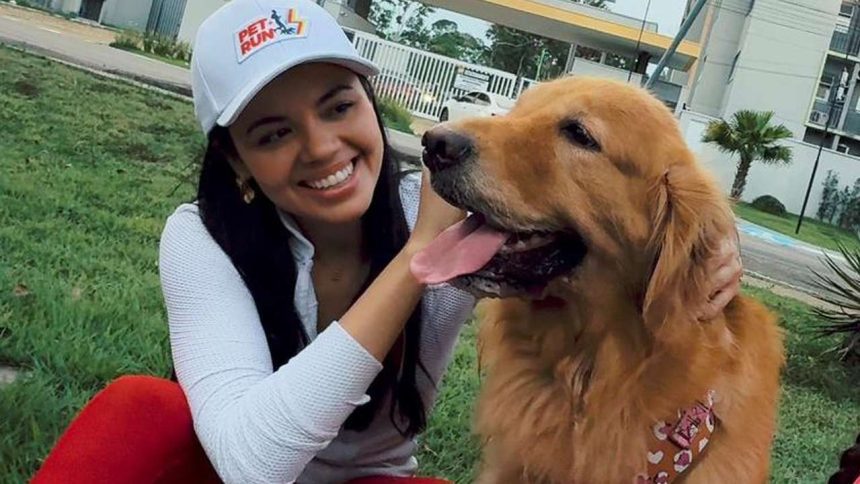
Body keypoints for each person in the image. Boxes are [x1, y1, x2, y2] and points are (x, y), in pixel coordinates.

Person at [31, 1, 743, 483]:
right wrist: (418, 260)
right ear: (237, 161)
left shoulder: (438, 207)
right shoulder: (200, 238)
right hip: (225, 476)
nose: (321, 148)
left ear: (370, 105)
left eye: (339, 106)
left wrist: (711, 246)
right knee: (140, 409)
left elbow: (594, 225)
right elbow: (252, 464)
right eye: (274, 133)